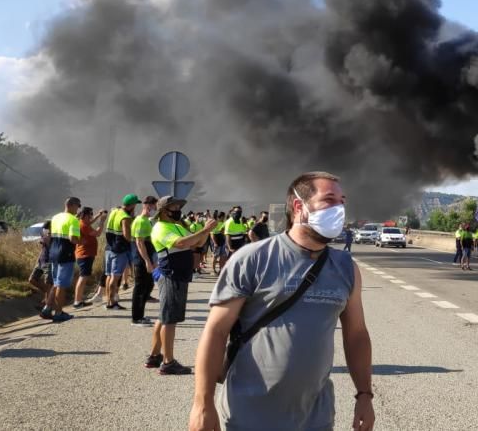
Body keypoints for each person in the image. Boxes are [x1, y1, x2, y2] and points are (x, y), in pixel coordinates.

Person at [189, 171, 374, 431]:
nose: (340, 209)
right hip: (249, 417)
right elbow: (216, 331)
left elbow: (356, 335)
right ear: (299, 206)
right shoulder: (251, 259)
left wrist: (364, 395)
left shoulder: (345, 267)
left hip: (316, 419)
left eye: (342, 201)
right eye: (330, 200)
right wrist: (202, 405)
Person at [147, 196, 218, 375]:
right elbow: (182, 243)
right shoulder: (161, 227)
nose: (178, 209)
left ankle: (154, 355)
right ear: (164, 211)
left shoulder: (177, 225)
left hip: (178, 274)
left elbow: (198, 243)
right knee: (169, 319)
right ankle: (168, 362)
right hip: (171, 274)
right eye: (175, 206)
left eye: (179, 206)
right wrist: (205, 230)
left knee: (164, 316)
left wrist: (205, 232)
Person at [45, 197, 82, 322]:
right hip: (66, 254)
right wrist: (81, 241)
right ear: (71, 205)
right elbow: (73, 239)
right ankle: (59, 312)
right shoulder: (73, 220)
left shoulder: (55, 217)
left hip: (54, 252)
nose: (78, 209)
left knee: (56, 283)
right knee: (61, 285)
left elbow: (49, 235)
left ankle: (47, 308)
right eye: (78, 206)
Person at [104, 194, 140, 310]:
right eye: (135, 204)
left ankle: (108, 301)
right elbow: (127, 235)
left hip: (109, 248)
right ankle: (113, 303)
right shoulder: (125, 217)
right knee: (115, 278)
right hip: (119, 250)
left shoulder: (115, 212)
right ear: (132, 205)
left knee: (109, 276)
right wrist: (135, 240)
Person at [130, 196, 158, 326]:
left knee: (147, 286)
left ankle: (141, 315)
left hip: (148, 257)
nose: (156, 209)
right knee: (140, 287)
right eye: (155, 206)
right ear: (148, 206)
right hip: (141, 258)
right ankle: (136, 318)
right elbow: (140, 243)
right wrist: (147, 261)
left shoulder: (148, 221)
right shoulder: (140, 221)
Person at [72, 207, 105, 308]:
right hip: (85, 254)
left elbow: (89, 222)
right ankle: (77, 301)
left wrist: (98, 216)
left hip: (84, 254)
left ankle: (78, 299)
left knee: (83, 276)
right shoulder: (84, 226)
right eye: (90, 214)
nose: (91, 216)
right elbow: (98, 234)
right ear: (85, 215)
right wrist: (102, 221)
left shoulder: (82, 222)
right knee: (83, 277)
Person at [30, 220, 53, 315]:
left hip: (49, 262)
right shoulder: (45, 235)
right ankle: (49, 296)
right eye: (45, 228)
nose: (45, 230)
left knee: (48, 284)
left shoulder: (54, 236)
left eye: (47, 228)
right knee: (32, 279)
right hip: (41, 261)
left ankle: (47, 305)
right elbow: (43, 248)